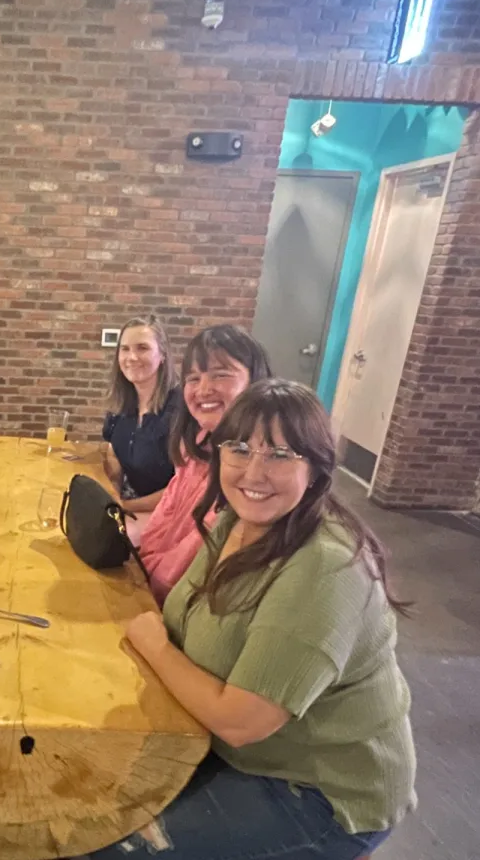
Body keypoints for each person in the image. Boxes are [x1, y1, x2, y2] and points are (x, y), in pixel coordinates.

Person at [99, 379, 415, 860]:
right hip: (235, 753)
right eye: (240, 449)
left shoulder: (325, 568)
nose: (254, 471)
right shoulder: (236, 522)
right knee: (88, 803)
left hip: (321, 792)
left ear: (316, 467)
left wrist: (156, 646)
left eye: (280, 455)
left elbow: (242, 721)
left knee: (110, 846)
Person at [138, 325, 272, 604]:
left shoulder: (253, 473)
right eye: (193, 378)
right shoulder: (197, 449)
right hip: (152, 590)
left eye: (221, 375)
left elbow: (183, 570)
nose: (203, 389)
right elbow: (160, 526)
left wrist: (140, 574)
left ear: (255, 382)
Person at [102, 315, 180, 514]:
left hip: (168, 515)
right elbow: (113, 452)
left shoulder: (182, 408)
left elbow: (184, 488)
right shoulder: (122, 401)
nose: (132, 357)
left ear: (162, 355)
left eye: (142, 348)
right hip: (129, 502)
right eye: (125, 349)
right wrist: (114, 491)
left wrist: (124, 507)